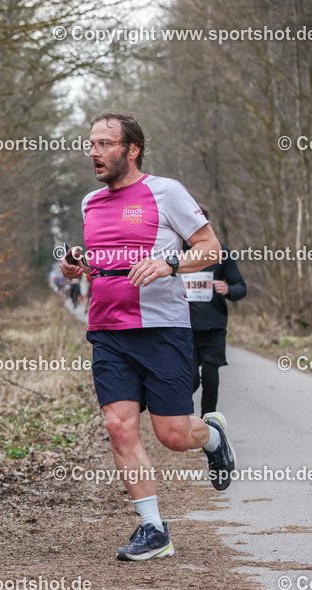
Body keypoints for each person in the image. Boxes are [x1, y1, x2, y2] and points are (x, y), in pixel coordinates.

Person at [59, 111, 238, 562]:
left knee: (174, 435)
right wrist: (73, 267)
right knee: (119, 427)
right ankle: (153, 529)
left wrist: (170, 264)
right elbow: (98, 261)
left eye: (104, 143)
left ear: (131, 150)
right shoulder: (89, 203)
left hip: (162, 329)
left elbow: (210, 248)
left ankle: (213, 437)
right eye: (91, 143)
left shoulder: (166, 191)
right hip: (107, 330)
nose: (94, 152)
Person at [181, 207, 247, 415]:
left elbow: (240, 287)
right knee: (190, 380)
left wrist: (228, 289)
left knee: (210, 378)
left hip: (213, 327)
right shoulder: (176, 253)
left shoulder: (221, 252)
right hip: (185, 327)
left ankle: (209, 423)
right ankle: (182, 420)